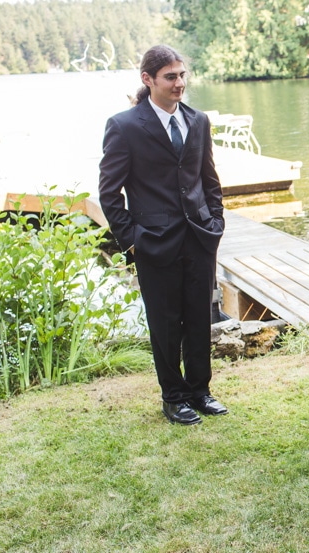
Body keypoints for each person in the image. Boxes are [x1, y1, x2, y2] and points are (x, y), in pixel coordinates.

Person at [98, 45, 227, 426]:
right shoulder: (123, 126)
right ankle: (173, 398)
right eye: (170, 76)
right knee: (167, 323)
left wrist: (215, 223)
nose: (179, 83)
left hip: (200, 237)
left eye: (182, 75)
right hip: (154, 242)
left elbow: (209, 180)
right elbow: (109, 193)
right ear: (148, 79)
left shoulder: (198, 121)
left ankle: (200, 391)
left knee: (200, 318)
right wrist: (132, 239)